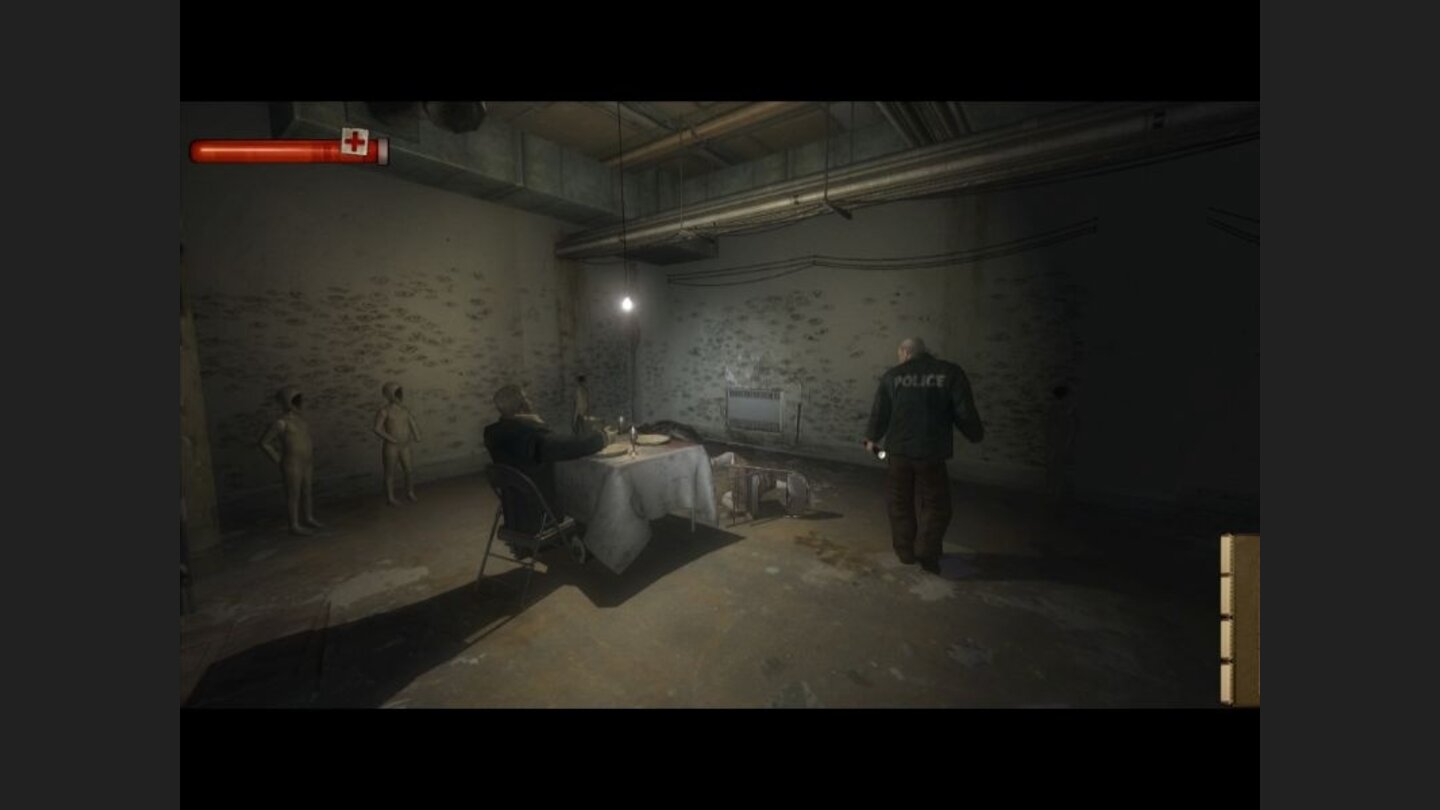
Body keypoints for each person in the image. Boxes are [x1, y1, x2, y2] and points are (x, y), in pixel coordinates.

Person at [863, 338, 984, 574]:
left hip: (898, 452)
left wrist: (871, 439)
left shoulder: (892, 376)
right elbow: (964, 412)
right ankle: (927, 552)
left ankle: (905, 551)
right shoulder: (950, 373)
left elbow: (879, 414)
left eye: (899, 354)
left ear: (905, 352)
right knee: (936, 504)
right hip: (931, 452)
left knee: (899, 502)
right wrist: (975, 434)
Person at [484, 385, 607, 540]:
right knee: (589, 490)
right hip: (540, 515)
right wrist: (602, 438)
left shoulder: (492, 433)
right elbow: (569, 447)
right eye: (526, 398)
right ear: (522, 406)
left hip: (514, 511)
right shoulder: (530, 436)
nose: (530, 401)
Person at [258, 386, 325, 536]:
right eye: (295, 401)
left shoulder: (301, 420)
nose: (299, 404)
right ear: (288, 402)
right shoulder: (281, 423)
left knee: (307, 490)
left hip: (307, 461)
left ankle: (308, 517)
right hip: (292, 463)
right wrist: (278, 459)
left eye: (299, 400)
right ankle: (294, 525)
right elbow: (264, 442)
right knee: (293, 494)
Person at [373, 382, 422, 505]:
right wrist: (391, 439)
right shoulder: (384, 411)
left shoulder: (404, 410)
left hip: (405, 445)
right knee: (390, 472)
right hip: (391, 446)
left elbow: (412, 423)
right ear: (389, 395)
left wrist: (417, 435)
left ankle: (410, 492)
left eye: (400, 393)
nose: (399, 396)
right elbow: (377, 428)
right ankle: (390, 497)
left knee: (409, 470)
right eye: (396, 393)